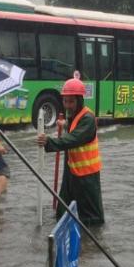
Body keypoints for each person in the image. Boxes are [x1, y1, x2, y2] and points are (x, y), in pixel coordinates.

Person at [36, 78, 105, 225]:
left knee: (92, 218)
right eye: (65, 101)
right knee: (63, 210)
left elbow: (73, 139)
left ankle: (90, 244)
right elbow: (73, 126)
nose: (67, 105)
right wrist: (65, 124)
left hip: (87, 175)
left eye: (71, 102)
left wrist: (49, 142)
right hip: (71, 171)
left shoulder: (88, 119)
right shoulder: (73, 116)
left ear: (79, 101)